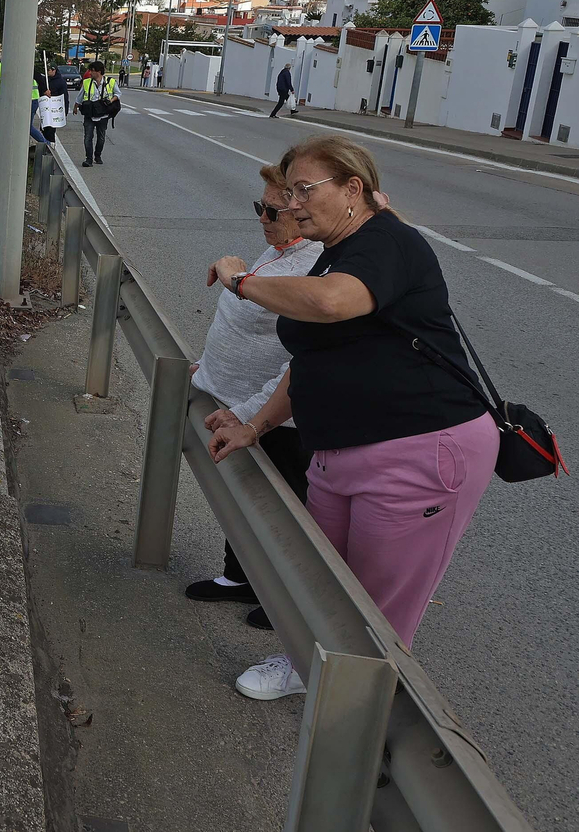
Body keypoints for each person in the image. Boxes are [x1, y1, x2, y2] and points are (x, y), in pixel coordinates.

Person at [206, 135, 499, 701]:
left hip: (420, 452)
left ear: (353, 190)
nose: (290, 205)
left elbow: (333, 304)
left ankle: (359, 721)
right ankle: (302, 664)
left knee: (377, 604)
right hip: (337, 450)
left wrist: (243, 282)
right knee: (321, 578)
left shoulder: (388, 243)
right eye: (286, 193)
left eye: (304, 191)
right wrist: (254, 425)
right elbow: (311, 359)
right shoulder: (333, 251)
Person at [184, 165, 322, 628]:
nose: (261, 217)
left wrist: (248, 414)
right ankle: (241, 575)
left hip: (273, 416)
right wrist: (210, 368)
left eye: (272, 209)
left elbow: (296, 361)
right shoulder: (283, 248)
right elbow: (247, 328)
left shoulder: (313, 266)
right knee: (243, 495)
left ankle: (287, 598)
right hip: (238, 404)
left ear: (302, 210)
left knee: (285, 509)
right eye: (258, 206)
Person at [74, 61, 119, 168]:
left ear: (98, 72)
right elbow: (80, 96)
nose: (90, 73)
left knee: (101, 137)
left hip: (103, 115)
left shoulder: (110, 82)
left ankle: (97, 155)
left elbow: (118, 93)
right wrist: (75, 106)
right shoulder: (87, 82)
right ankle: (88, 159)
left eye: (92, 71)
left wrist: (111, 100)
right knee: (88, 137)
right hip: (89, 114)